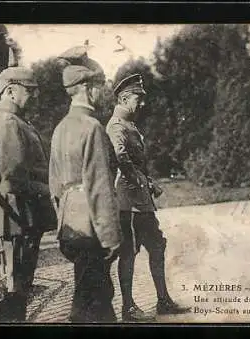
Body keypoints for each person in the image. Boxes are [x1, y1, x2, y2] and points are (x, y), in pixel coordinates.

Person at [106, 73, 190, 322]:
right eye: (137, 98)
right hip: (128, 202)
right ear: (123, 98)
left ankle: (163, 300)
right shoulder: (116, 126)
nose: (142, 103)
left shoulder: (130, 125)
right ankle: (128, 308)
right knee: (128, 253)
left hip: (140, 200)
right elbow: (121, 158)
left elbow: (135, 163)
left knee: (157, 246)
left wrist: (148, 182)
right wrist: (142, 181)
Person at [48, 46, 122, 323]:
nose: (102, 92)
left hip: (70, 225)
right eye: (99, 85)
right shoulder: (92, 128)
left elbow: (55, 186)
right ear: (85, 88)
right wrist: (111, 237)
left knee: (88, 294)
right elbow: (100, 186)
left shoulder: (60, 129)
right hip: (92, 226)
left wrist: (64, 222)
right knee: (96, 302)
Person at [0, 63, 55, 321]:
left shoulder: (15, 120)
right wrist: (49, 190)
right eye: (29, 90)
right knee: (18, 280)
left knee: (23, 278)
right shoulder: (7, 122)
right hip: (18, 210)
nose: (33, 96)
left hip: (24, 208)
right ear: (10, 91)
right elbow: (15, 176)